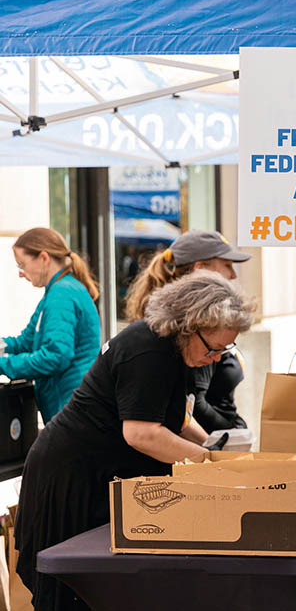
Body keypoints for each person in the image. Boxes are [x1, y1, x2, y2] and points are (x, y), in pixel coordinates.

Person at [15, 271, 250, 611]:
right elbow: (142, 432)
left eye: (226, 349)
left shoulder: (175, 349)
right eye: (213, 348)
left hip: (98, 473)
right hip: (72, 479)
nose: (216, 358)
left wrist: (217, 446)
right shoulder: (148, 350)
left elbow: (176, 419)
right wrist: (209, 462)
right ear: (189, 325)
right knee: (73, 595)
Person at [125, 230, 252, 431]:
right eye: (227, 265)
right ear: (201, 270)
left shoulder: (198, 323)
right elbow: (192, 405)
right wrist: (230, 434)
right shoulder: (190, 329)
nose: (233, 275)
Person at [0, 228, 101, 423]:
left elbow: (55, 356)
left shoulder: (61, 295)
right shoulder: (56, 292)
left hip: (72, 410)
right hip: (71, 408)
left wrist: (3, 365)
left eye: (22, 265)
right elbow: (26, 342)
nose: (21, 274)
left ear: (44, 258)